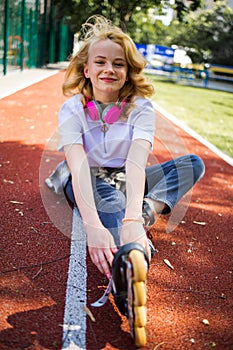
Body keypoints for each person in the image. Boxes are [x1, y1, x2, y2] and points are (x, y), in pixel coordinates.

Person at [45, 15, 205, 347]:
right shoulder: (72, 108)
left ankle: (146, 214)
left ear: (128, 72)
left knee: (192, 163)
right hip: (87, 175)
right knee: (112, 201)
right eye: (100, 61)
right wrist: (93, 226)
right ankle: (126, 275)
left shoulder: (141, 108)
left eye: (119, 63)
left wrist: (136, 217)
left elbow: (136, 163)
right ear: (86, 69)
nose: (109, 69)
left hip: (124, 172)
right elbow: (76, 165)